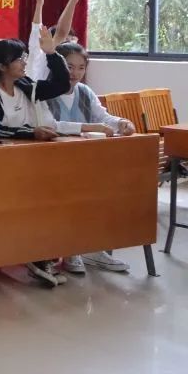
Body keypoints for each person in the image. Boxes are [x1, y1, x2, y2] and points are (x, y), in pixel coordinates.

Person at [0, 30, 71, 287]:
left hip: (29, 161)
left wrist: (51, 53)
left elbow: (61, 85)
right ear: (2, 66)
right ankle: (33, 256)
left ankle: (41, 255)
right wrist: (30, 133)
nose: (24, 62)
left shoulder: (25, 85)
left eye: (24, 57)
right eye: (18, 59)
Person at [46, 41, 135, 275]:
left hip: (85, 161)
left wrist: (121, 123)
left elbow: (103, 117)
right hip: (53, 163)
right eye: (69, 67)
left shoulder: (84, 92)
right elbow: (50, 124)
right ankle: (72, 249)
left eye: (81, 68)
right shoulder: (45, 91)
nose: (75, 73)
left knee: (105, 193)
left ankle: (93, 247)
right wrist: (87, 127)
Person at [27, 0, 83, 81]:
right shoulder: (40, 55)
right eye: (65, 41)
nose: (68, 45)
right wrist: (39, 4)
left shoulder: (68, 61)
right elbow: (59, 32)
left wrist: (73, 1)